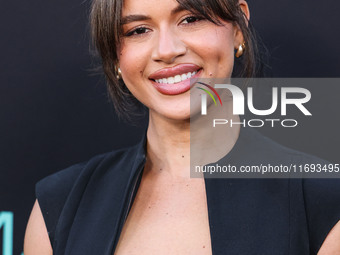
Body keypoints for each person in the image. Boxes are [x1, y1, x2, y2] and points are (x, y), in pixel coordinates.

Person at [23, 0, 340, 254]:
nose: (166, 50)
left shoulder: (322, 200)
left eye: (190, 18)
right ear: (114, 56)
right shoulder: (60, 204)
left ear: (238, 28)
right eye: (138, 30)